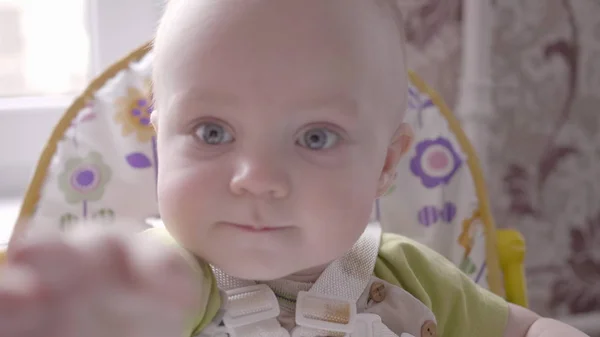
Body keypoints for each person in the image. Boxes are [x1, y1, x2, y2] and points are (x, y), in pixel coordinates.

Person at [0, 1, 589, 336]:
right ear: (159, 138)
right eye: (212, 132)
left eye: (315, 136)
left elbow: (523, 330)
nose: (256, 177)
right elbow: (141, 296)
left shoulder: (414, 277)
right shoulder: (179, 276)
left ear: (386, 163)